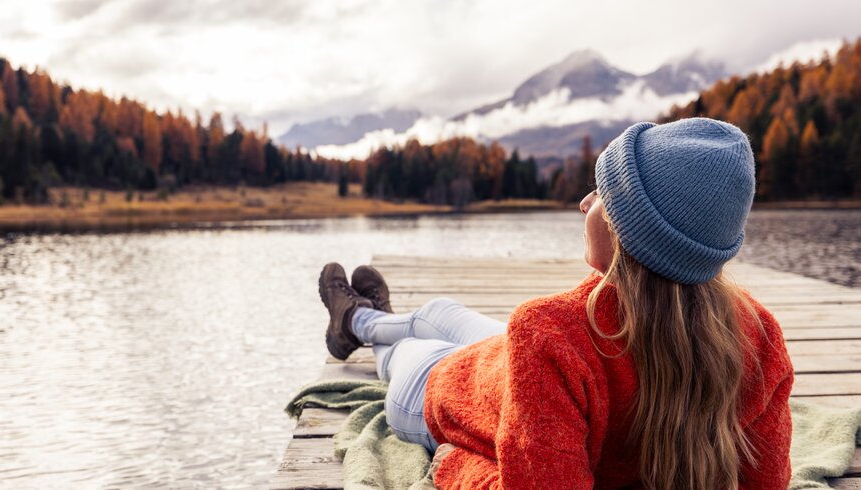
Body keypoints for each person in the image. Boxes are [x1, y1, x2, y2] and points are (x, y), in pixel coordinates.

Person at [318, 118, 794, 489]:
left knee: (407, 351)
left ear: (630, 233)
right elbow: (767, 481)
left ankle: (360, 320)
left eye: (603, 194)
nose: (585, 203)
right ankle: (361, 317)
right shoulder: (760, 336)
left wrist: (455, 468)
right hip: (510, 369)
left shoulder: (548, 331)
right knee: (440, 313)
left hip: (437, 393)